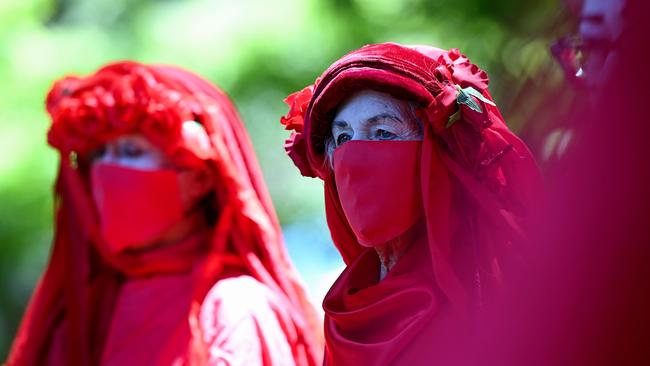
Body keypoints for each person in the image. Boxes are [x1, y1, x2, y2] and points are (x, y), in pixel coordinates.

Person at [6, 61, 321, 366]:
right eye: (99, 154)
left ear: (199, 177)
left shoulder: (235, 307)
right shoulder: (83, 309)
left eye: (132, 151)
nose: (106, 170)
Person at [279, 43, 542, 365]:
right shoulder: (350, 301)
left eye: (383, 133)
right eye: (344, 138)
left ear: (437, 152)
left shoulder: (488, 288)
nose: (356, 158)